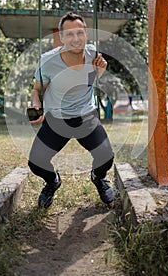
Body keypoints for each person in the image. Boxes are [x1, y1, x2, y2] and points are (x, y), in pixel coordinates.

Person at [28, 12, 115, 209]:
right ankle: (52, 181)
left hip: (86, 117)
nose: (75, 39)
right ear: (61, 37)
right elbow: (36, 89)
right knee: (36, 163)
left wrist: (100, 71)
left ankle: (98, 178)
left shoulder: (93, 54)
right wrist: (36, 103)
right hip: (57, 119)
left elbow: (89, 82)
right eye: (69, 34)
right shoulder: (47, 61)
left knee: (106, 156)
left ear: (86, 34)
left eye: (80, 33)